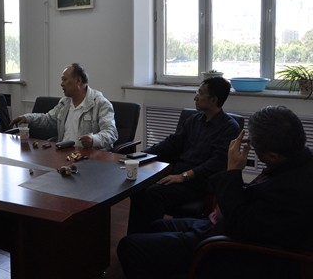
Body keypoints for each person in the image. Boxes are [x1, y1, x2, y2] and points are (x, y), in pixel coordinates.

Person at [117, 105, 313, 279]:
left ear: (272, 156)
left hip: (228, 247)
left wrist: (233, 171)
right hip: (220, 225)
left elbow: (239, 224)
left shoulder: (292, 190)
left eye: (253, 145)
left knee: (129, 246)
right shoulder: (297, 160)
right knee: (156, 226)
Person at [126, 76, 240, 234]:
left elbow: (216, 163)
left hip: (198, 182)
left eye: (200, 93)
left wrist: (184, 176)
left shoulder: (229, 127)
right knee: (138, 189)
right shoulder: (194, 120)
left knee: (153, 193)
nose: (195, 97)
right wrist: (140, 155)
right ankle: (134, 240)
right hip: (177, 174)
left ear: (213, 100)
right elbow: (171, 143)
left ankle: (148, 240)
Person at [10, 63, 118, 150]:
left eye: (64, 80)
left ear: (78, 81)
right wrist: (27, 118)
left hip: (90, 157)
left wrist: (94, 139)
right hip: (65, 154)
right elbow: (48, 119)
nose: (61, 84)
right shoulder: (65, 102)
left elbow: (111, 133)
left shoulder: (100, 103)